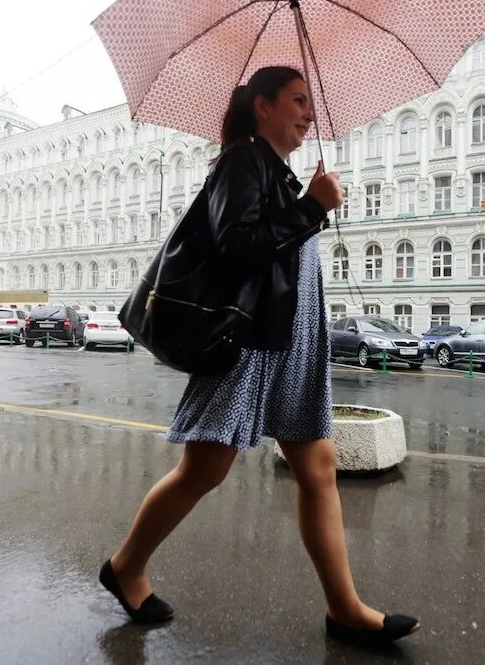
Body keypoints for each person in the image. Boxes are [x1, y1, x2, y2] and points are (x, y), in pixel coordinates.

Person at [99, 65, 419, 647]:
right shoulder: (241, 160)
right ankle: (124, 567)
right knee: (205, 468)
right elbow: (235, 247)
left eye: (310, 103)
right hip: (248, 341)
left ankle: (345, 608)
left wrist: (308, 203)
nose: (308, 113)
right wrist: (312, 208)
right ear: (262, 106)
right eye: (297, 100)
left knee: (318, 468)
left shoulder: (276, 172)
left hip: (292, 338)